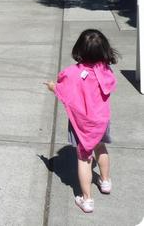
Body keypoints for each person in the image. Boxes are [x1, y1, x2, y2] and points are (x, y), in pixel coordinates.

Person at [45, 29, 118, 213]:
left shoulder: (73, 73)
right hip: (101, 121)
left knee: (84, 158)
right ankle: (105, 181)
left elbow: (64, 90)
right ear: (103, 50)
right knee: (101, 147)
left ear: (79, 49)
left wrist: (53, 87)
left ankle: (87, 200)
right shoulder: (105, 71)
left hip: (82, 124)